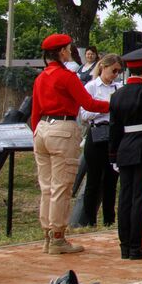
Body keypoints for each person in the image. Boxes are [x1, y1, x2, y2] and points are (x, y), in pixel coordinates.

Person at [31, 32, 110, 254]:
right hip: (62, 129)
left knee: (46, 187)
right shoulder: (66, 76)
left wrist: (37, 131)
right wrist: (113, 105)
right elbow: (88, 103)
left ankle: (47, 235)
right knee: (61, 187)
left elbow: (35, 112)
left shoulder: (41, 77)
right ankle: (58, 237)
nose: (69, 51)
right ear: (61, 52)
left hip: (42, 129)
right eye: (66, 48)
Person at [109, 46, 142, 260]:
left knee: (125, 198)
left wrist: (113, 156)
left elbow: (114, 127)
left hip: (124, 148)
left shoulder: (117, 95)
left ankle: (125, 244)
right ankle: (137, 245)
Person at [77, 53, 124, 227]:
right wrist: (104, 107)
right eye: (113, 70)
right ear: (104, 67)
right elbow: (84, 114)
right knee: (93, 179)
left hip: (113, 133)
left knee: (111, 179)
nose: (115, 75)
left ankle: (109, 219)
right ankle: (89, 220)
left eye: (118, 71)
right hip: (96, 132)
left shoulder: (118, 87)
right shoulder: (91, 86)